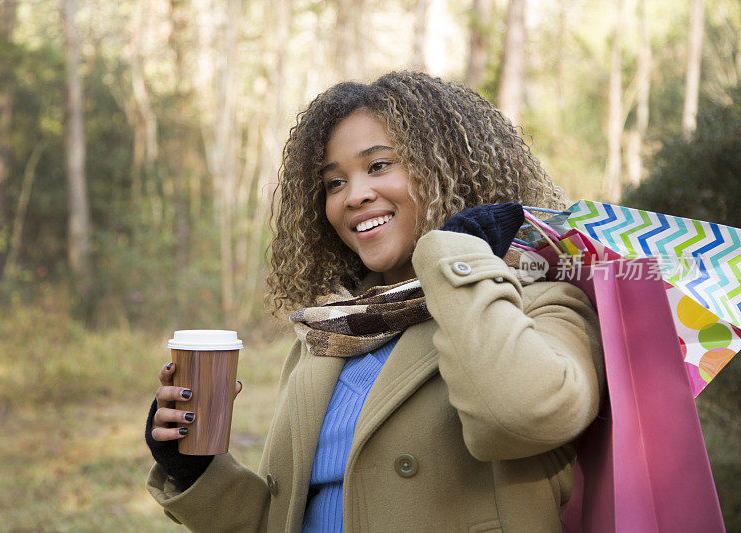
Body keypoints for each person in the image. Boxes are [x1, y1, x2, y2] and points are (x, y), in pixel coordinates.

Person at [145, 71, 605, 532]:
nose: (355, 195)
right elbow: (292, 520)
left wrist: (456, 254)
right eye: (334, 183)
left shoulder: (541, 303)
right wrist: (196, 469)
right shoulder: (332, 334)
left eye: (379, 166)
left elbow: (523, 416)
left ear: (450, 168)